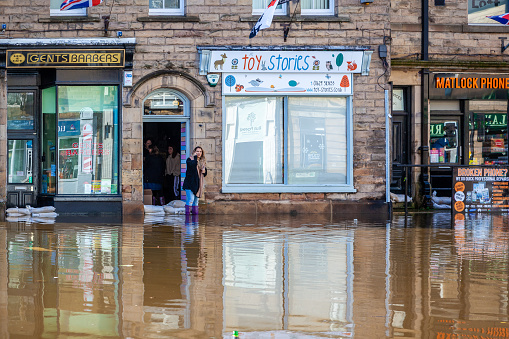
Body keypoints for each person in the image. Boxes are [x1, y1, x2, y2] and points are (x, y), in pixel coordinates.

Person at [182, 146, 207, 215]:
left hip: (198, 184)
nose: (199, 153)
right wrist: (195, 157)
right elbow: (192, 167)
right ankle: (187, 219)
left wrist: (204, 171)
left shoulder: (202, 162)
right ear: (194, 152)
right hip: (190, 184)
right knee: (190, 200)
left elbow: (204, 174)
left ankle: (195, 221)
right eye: (197, 151)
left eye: (200, 151)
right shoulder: (189, 160)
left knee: (196, 202)